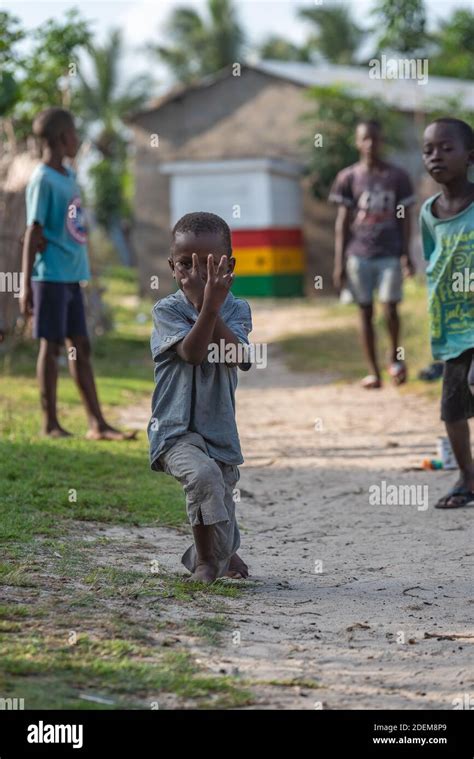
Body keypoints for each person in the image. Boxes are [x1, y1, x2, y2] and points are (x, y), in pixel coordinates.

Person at [148, 212, 252, 582]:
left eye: (208, 265)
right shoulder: (167, 311)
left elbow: (238, 357)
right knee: (204, 479)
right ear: (172, 267)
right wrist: (204, 307)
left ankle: (226, 552)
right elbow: (192, 354)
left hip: (219, 432)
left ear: (229, 267)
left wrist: (213, 308)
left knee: (220, 497)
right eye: (185, 264)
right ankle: (207, 562)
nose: (196, 273)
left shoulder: (238, 309)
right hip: (174, 431)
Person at [20, 107, 132, 439]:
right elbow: (33, 232)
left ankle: (97, 423)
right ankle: (50, 423)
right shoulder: (42, 180)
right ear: (60, 138)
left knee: (80, 346)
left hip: (72, 274)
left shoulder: (68, 175)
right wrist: (25, 285)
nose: (78, 139)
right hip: (50, 275)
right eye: (74, 134)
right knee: (51, 346)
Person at [330, 119, 416, 388]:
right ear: (357, 142)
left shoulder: (398, 177)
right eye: (365, 139)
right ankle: (373, 372)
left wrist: (406, 254)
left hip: (389, 252)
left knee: (390, 307)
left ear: (382, 142)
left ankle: (395, 357)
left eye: (375, 139)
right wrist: (339, 262)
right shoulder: (348, 177)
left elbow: (405, 219)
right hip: (359, 254)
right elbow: (342, 222)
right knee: (364, 311)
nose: (370, 144)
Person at [420, 117, 474, 509]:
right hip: (452, 327)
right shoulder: (428, 212)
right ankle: (467, 480)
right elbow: (432, 260)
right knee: (452, 408)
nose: (435, 155)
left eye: (445, 148)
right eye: (428, 150)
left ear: (470, 156)